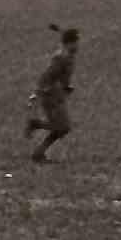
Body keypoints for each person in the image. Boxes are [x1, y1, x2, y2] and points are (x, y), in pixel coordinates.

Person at [25, 27, 78, 163]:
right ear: (69, 43)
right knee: (63, 127)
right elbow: (47, 76)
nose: (78, 46)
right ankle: (35, 124)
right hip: (51, 96)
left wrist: (66, 87)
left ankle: (39, 153)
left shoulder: (68, 56)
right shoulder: (61, 57)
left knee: (63, 129)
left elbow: (63, 77)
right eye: (76, 42)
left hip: (57, 95)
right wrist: (40, 92)